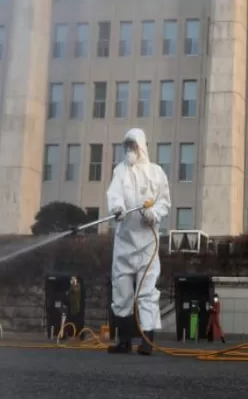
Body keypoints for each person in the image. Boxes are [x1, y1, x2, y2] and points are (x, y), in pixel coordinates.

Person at [106, 127, 171, 356]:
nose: (129, 150)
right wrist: (117, 208)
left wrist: (153, 214)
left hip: (147, 245)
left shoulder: (156, 173)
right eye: (126, 146)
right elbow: (114, 194)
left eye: (133, 146)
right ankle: (124, 341)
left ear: (141, 147)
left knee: (146, 293)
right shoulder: (120, 171)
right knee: (121, 291)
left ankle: (147, 341)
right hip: (124, 242)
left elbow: (164, 202)